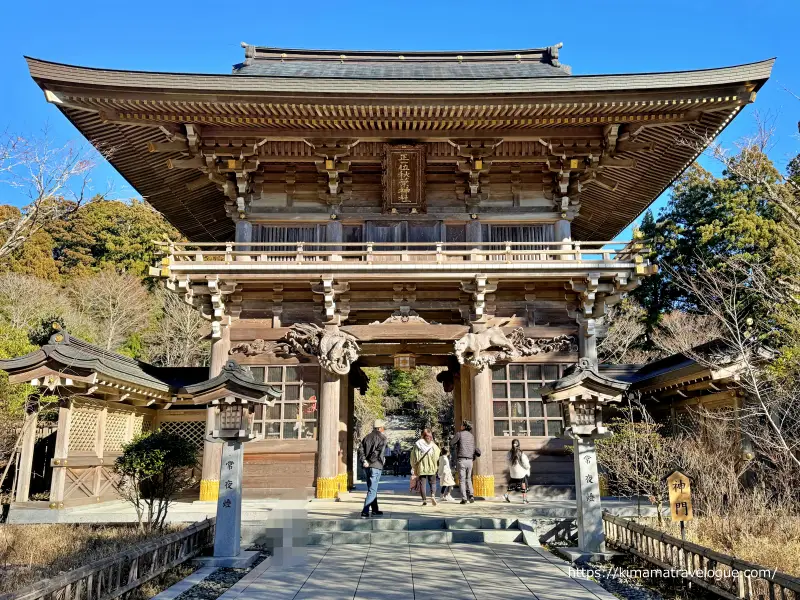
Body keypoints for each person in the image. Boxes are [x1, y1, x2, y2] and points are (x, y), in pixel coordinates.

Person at [360, 419, 388, 518]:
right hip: (375, 465)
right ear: (380, 428)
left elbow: (361, 450)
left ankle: (375, 509)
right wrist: (370, 461)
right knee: (372, 489)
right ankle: (365, 510)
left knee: (372, 488)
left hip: (366, 466)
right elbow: (376, 453)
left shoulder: (366, 437)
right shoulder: (383, 438)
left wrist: (364, 460)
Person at [411, 429, 440, 506]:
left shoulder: (417, 444)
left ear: (422, 435)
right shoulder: (433, 445)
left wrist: (413, 466)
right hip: (431, 467)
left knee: (422, 484)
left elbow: (413, 456)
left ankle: (424, 500)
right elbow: (437, 455)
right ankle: (433, 495)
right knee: (433, 482)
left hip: (421, 467)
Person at [450, 420, 476, 504]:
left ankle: (464, 498)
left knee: (462, 480)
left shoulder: (459, 434)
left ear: (464, 426)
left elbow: (451, 443)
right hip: (470, 460)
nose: (460, 426)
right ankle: (471, 495)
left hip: (462, 460)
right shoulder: (472, 436)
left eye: (461, 425)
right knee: (468, 479)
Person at [504, 438, 531, 503]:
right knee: (523, 484)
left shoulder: (509, 453)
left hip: (513, 473)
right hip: (521, 472)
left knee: (513, 484)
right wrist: (528, 467)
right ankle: (524, 499)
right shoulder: (520, 452)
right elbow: (525, 462)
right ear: (518, 444)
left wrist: (512, 467)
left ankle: (506, 494)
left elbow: (507, 461)